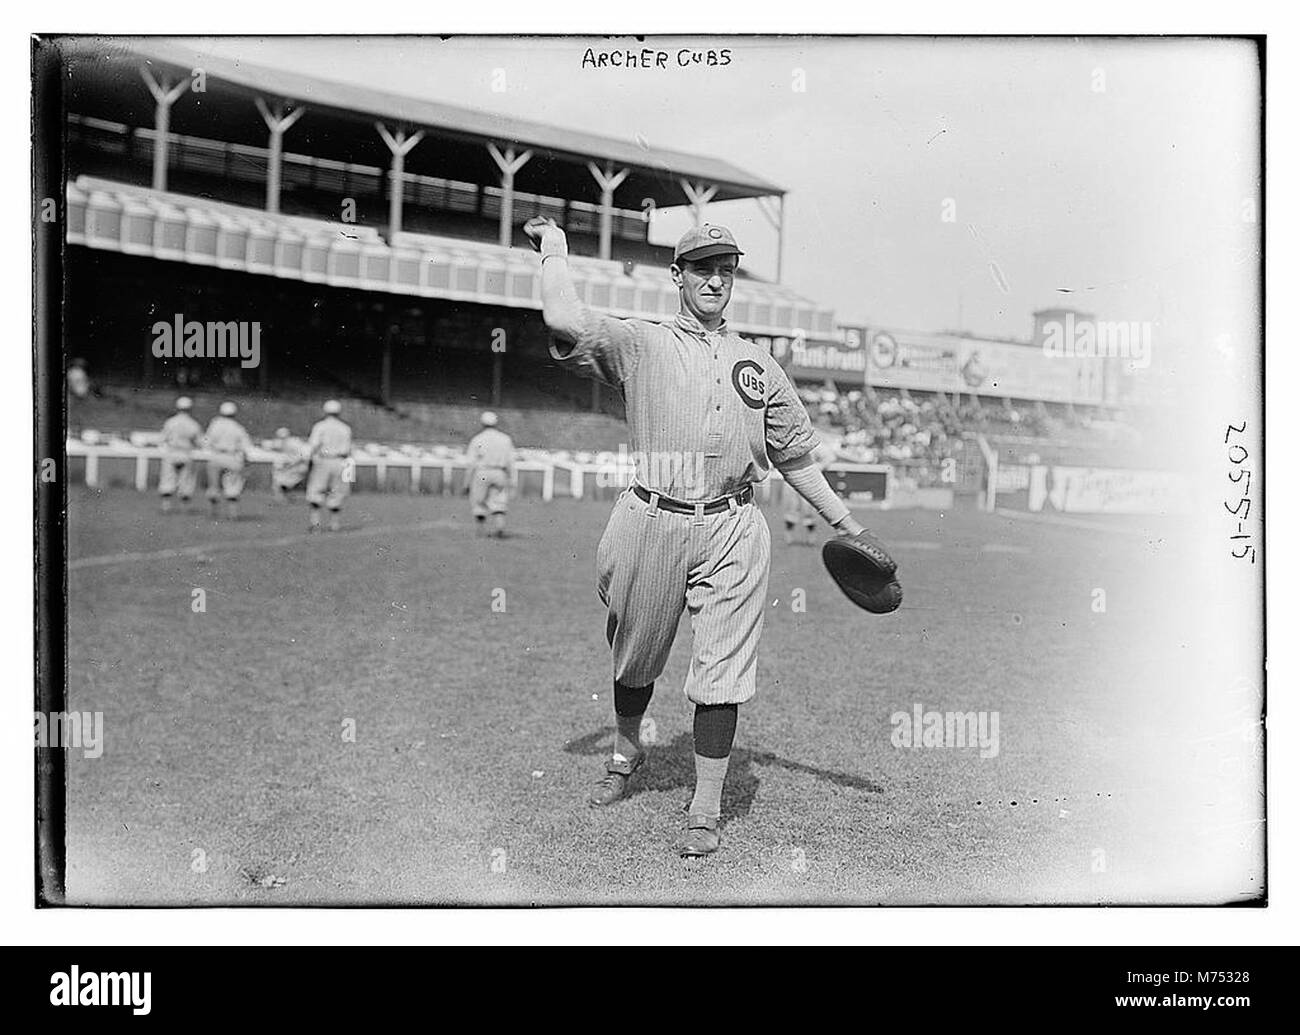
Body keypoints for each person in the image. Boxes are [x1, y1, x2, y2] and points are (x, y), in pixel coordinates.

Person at [524, 215, 867, 857]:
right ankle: (627, 749)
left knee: (723, 671)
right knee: (636, 655)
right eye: (703, 267)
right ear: (677, 276)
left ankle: (705, 806)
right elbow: (566, 322)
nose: (716, 279)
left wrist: (849, 524)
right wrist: (556, 253)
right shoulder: (641, 345)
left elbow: (793, 455)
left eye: (726, 268)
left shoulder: (758, 364)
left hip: (735, 525)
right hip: (651, 517)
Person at [465, 411, 516, 538]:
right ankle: (499, 528)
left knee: (479, 502)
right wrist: (513, 480)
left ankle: (480, 530)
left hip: (482, 472)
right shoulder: (505, 439)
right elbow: (511, 461)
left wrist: (466, 482)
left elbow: (471, 462)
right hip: (499, 472)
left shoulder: (478, 439)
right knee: (499, 502)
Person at [305, 400, 352, 533]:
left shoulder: (320, 426)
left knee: (316, 490)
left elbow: (313, 445)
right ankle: (335, 524)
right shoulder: (345, 428)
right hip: (341, 461)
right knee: (338, 492)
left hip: (324, 460)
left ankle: (316, 523)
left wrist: (308, 460)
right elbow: (348, 449)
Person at [204, 401, 254, 520]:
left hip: (217, 456)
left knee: (214, 486)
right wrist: (246, 462)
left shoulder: (214, 424)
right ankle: (233, 514)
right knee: (232, 488)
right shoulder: (238, 428)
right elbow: (246, 446)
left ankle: (213, 513)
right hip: (232, 457)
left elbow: (206, 442)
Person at [783, 439, 839, 545]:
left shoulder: (812, 441)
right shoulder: (787, 440)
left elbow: (830, 457)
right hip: (791, 477)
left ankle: (810, 537)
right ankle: (788, 535)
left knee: (809, 510)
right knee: (791, 507)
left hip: (808, 479)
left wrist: (817, 467)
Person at [157, 396, 202, 513]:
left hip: (171, 453)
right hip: (185, 454)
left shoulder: (170, 422)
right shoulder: (194, 424)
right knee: (186, 481)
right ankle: (184, 508)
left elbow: (163, 438)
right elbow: (199, 441)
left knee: (167, 479)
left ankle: (166, 506)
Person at [269, 427, 311, 502]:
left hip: (299, 466)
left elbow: (303, 456)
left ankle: (287, 493)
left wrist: (293, 463)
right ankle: (281, 497)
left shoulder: (294, 443)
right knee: (277, 477)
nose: (282, 439)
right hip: (291, 467)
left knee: (284, 480)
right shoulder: (279, 443)